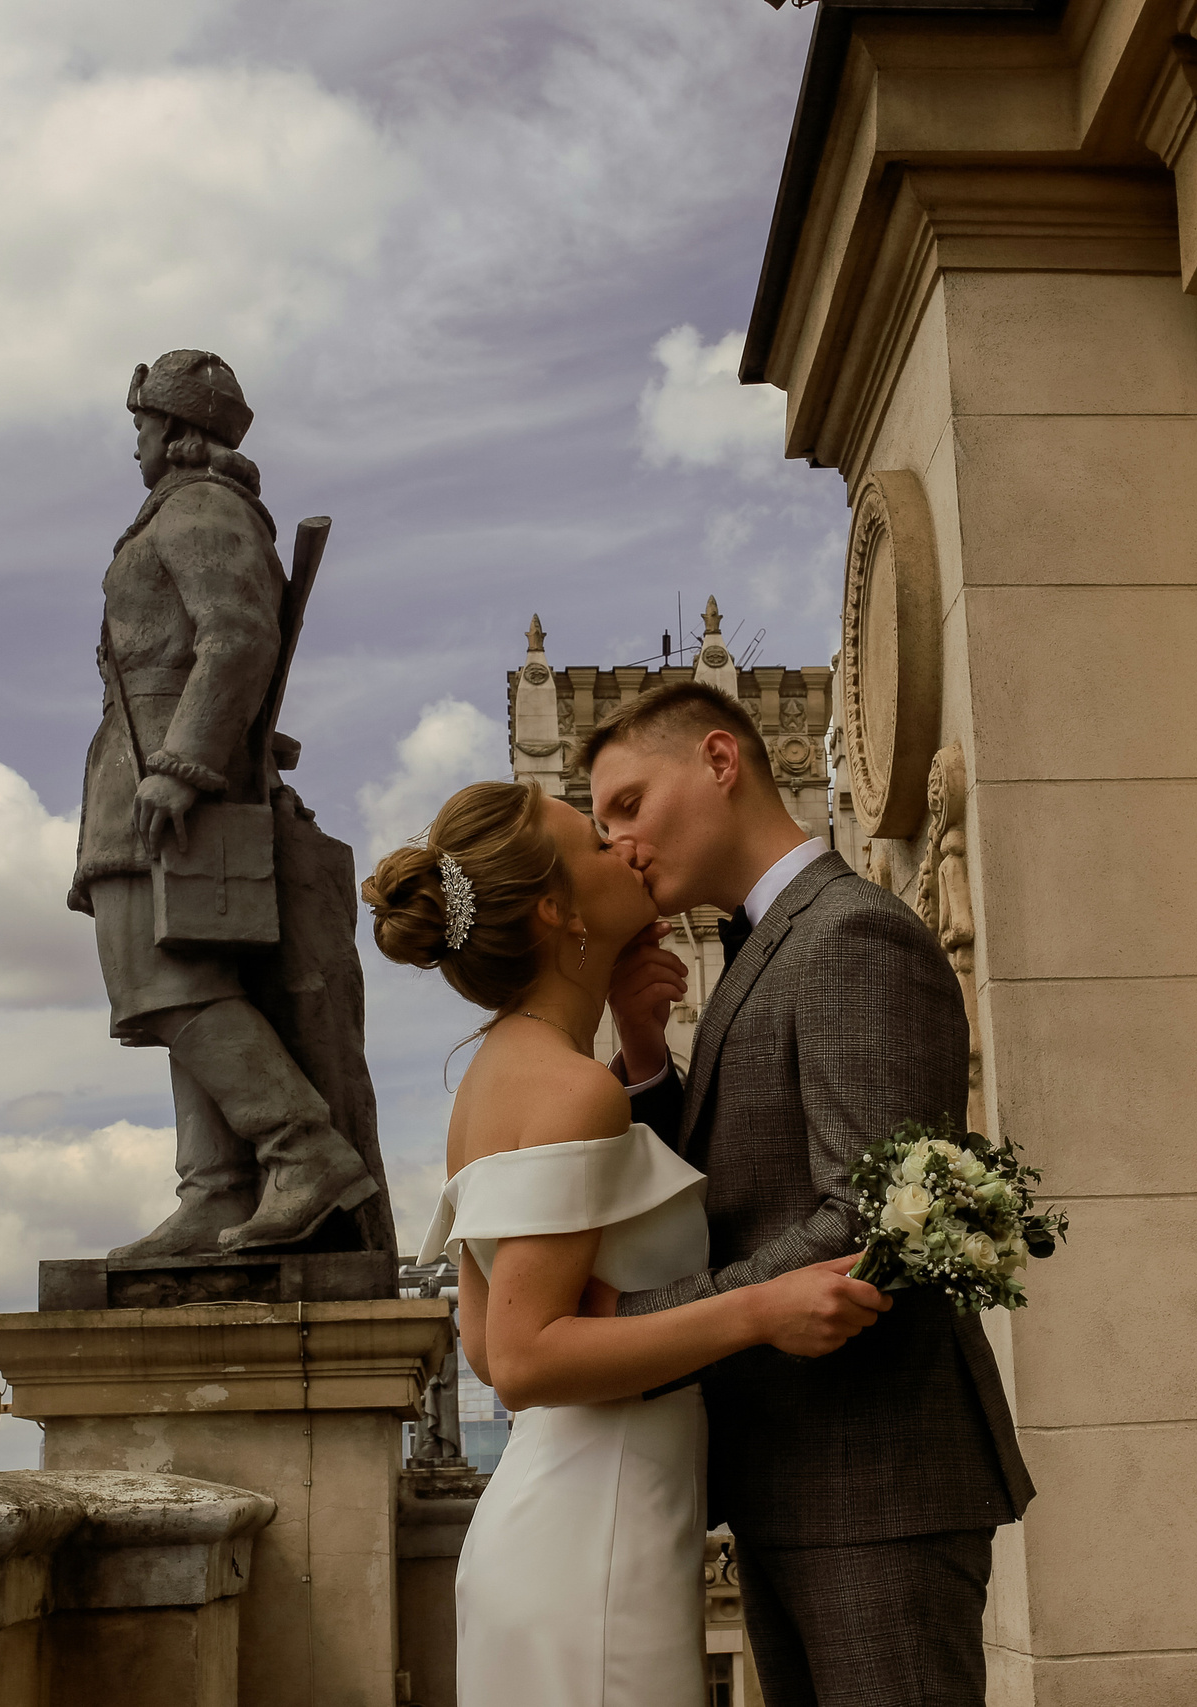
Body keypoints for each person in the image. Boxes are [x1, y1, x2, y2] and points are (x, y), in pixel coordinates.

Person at [365, 779, 893, 1707]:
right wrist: (759, 1308)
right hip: (598, 1540)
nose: (627, 848)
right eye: (596, 844)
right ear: (557, 909)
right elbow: (524, 1360)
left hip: (563, 1526)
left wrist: (640, 1043)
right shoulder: (572, 1092)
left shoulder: (495, 1078)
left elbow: (487, 1342)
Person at [583, 682, 1034, 1707]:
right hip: (798, 1473)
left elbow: (863, 1217)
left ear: (718, 760)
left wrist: (633, 1330)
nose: (617, 844)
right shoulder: (773, 938)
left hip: (872, 1475)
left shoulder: (848, 937)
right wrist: (649, 1061)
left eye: (626, 805)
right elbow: (753, 1181)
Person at [69, 349, 385, 1259]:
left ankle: (304, 1151)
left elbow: (238, 635)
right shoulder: (178, 510)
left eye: (141, 428)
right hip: (143, 773)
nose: (136, 446)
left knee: (171, 985)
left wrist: (185, 763)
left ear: (173, 431)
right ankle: (217, 1188)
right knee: (169, 981)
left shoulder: (203, 508)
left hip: (169, 783)